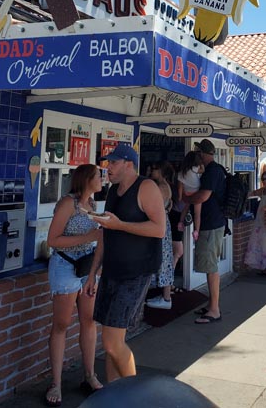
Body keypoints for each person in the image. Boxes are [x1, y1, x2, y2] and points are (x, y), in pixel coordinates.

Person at [85, 144, 166, 383]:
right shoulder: (113, 191)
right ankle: (114, 394)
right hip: (111, 271)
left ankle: (136, 396)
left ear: (128, 164)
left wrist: (120, 225)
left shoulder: (146, 187)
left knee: (111, 343)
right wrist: (93, 273)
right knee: (111, 344)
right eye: (108, 163)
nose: (107, 168)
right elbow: (104, 234)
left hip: (136, 272)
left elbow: (159, 229)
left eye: (113, 163)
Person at [45, 164, 104, 406]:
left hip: (86, 268)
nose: (103, 179)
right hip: (65, 266)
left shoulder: (92, 205)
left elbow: (96, 242)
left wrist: (94, 272)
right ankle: (56, 383)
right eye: (99, 176)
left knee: (88, 321)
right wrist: (88, 237)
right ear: (86, 179)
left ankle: (89, 375)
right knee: (61, 323)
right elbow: (52, 240)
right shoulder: (67, 203)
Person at [183, 139, 226, 324]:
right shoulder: (216, 170)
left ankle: (214, 309)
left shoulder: (212, 171)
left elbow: (203, 196)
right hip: (214, 223)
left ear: (203, 153)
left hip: (211, 224)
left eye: (198, 152)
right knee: (211, 266)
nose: (197, 155)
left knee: (211, 267)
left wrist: (185, 199)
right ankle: (211, 305)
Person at [146, 161, 175, 310]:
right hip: (163, 223)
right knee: (164, 259)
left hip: (158, 224)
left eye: (155, 168)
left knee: (163, 260)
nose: (151, 170)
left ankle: (166, 297)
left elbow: (148, 204)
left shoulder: (160, 187)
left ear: (162, 172)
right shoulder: (165, 186)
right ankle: (165, 295)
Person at [177, 151, 204, 242]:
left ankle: (180, 223)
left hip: (187, 193)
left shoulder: (182, 172)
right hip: (196, 193)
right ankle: (196, 231)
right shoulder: (194, 168)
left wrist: (180, 197)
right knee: (197, 214)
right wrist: (201, 164)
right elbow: (203, 170)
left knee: (185, 208)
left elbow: (180, 186)